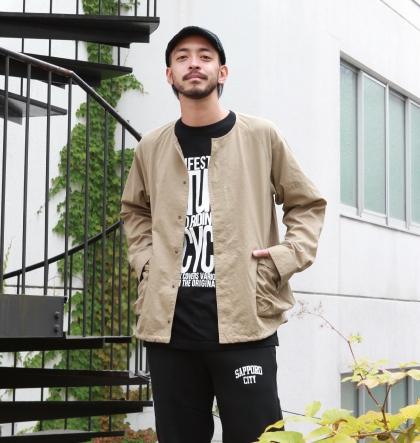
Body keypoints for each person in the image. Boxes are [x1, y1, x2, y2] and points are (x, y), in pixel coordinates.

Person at [120, 26, 327, 443]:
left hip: (244, 320)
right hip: (170, 326)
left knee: (258, 437)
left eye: (205, 56)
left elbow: (307, 203)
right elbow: (134, 211)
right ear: (170, 74)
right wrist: (145, 262)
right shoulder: (152, 146)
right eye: (182, 57)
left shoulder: (260, 135)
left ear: (222, 71)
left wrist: (283, 259)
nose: (193, 63)